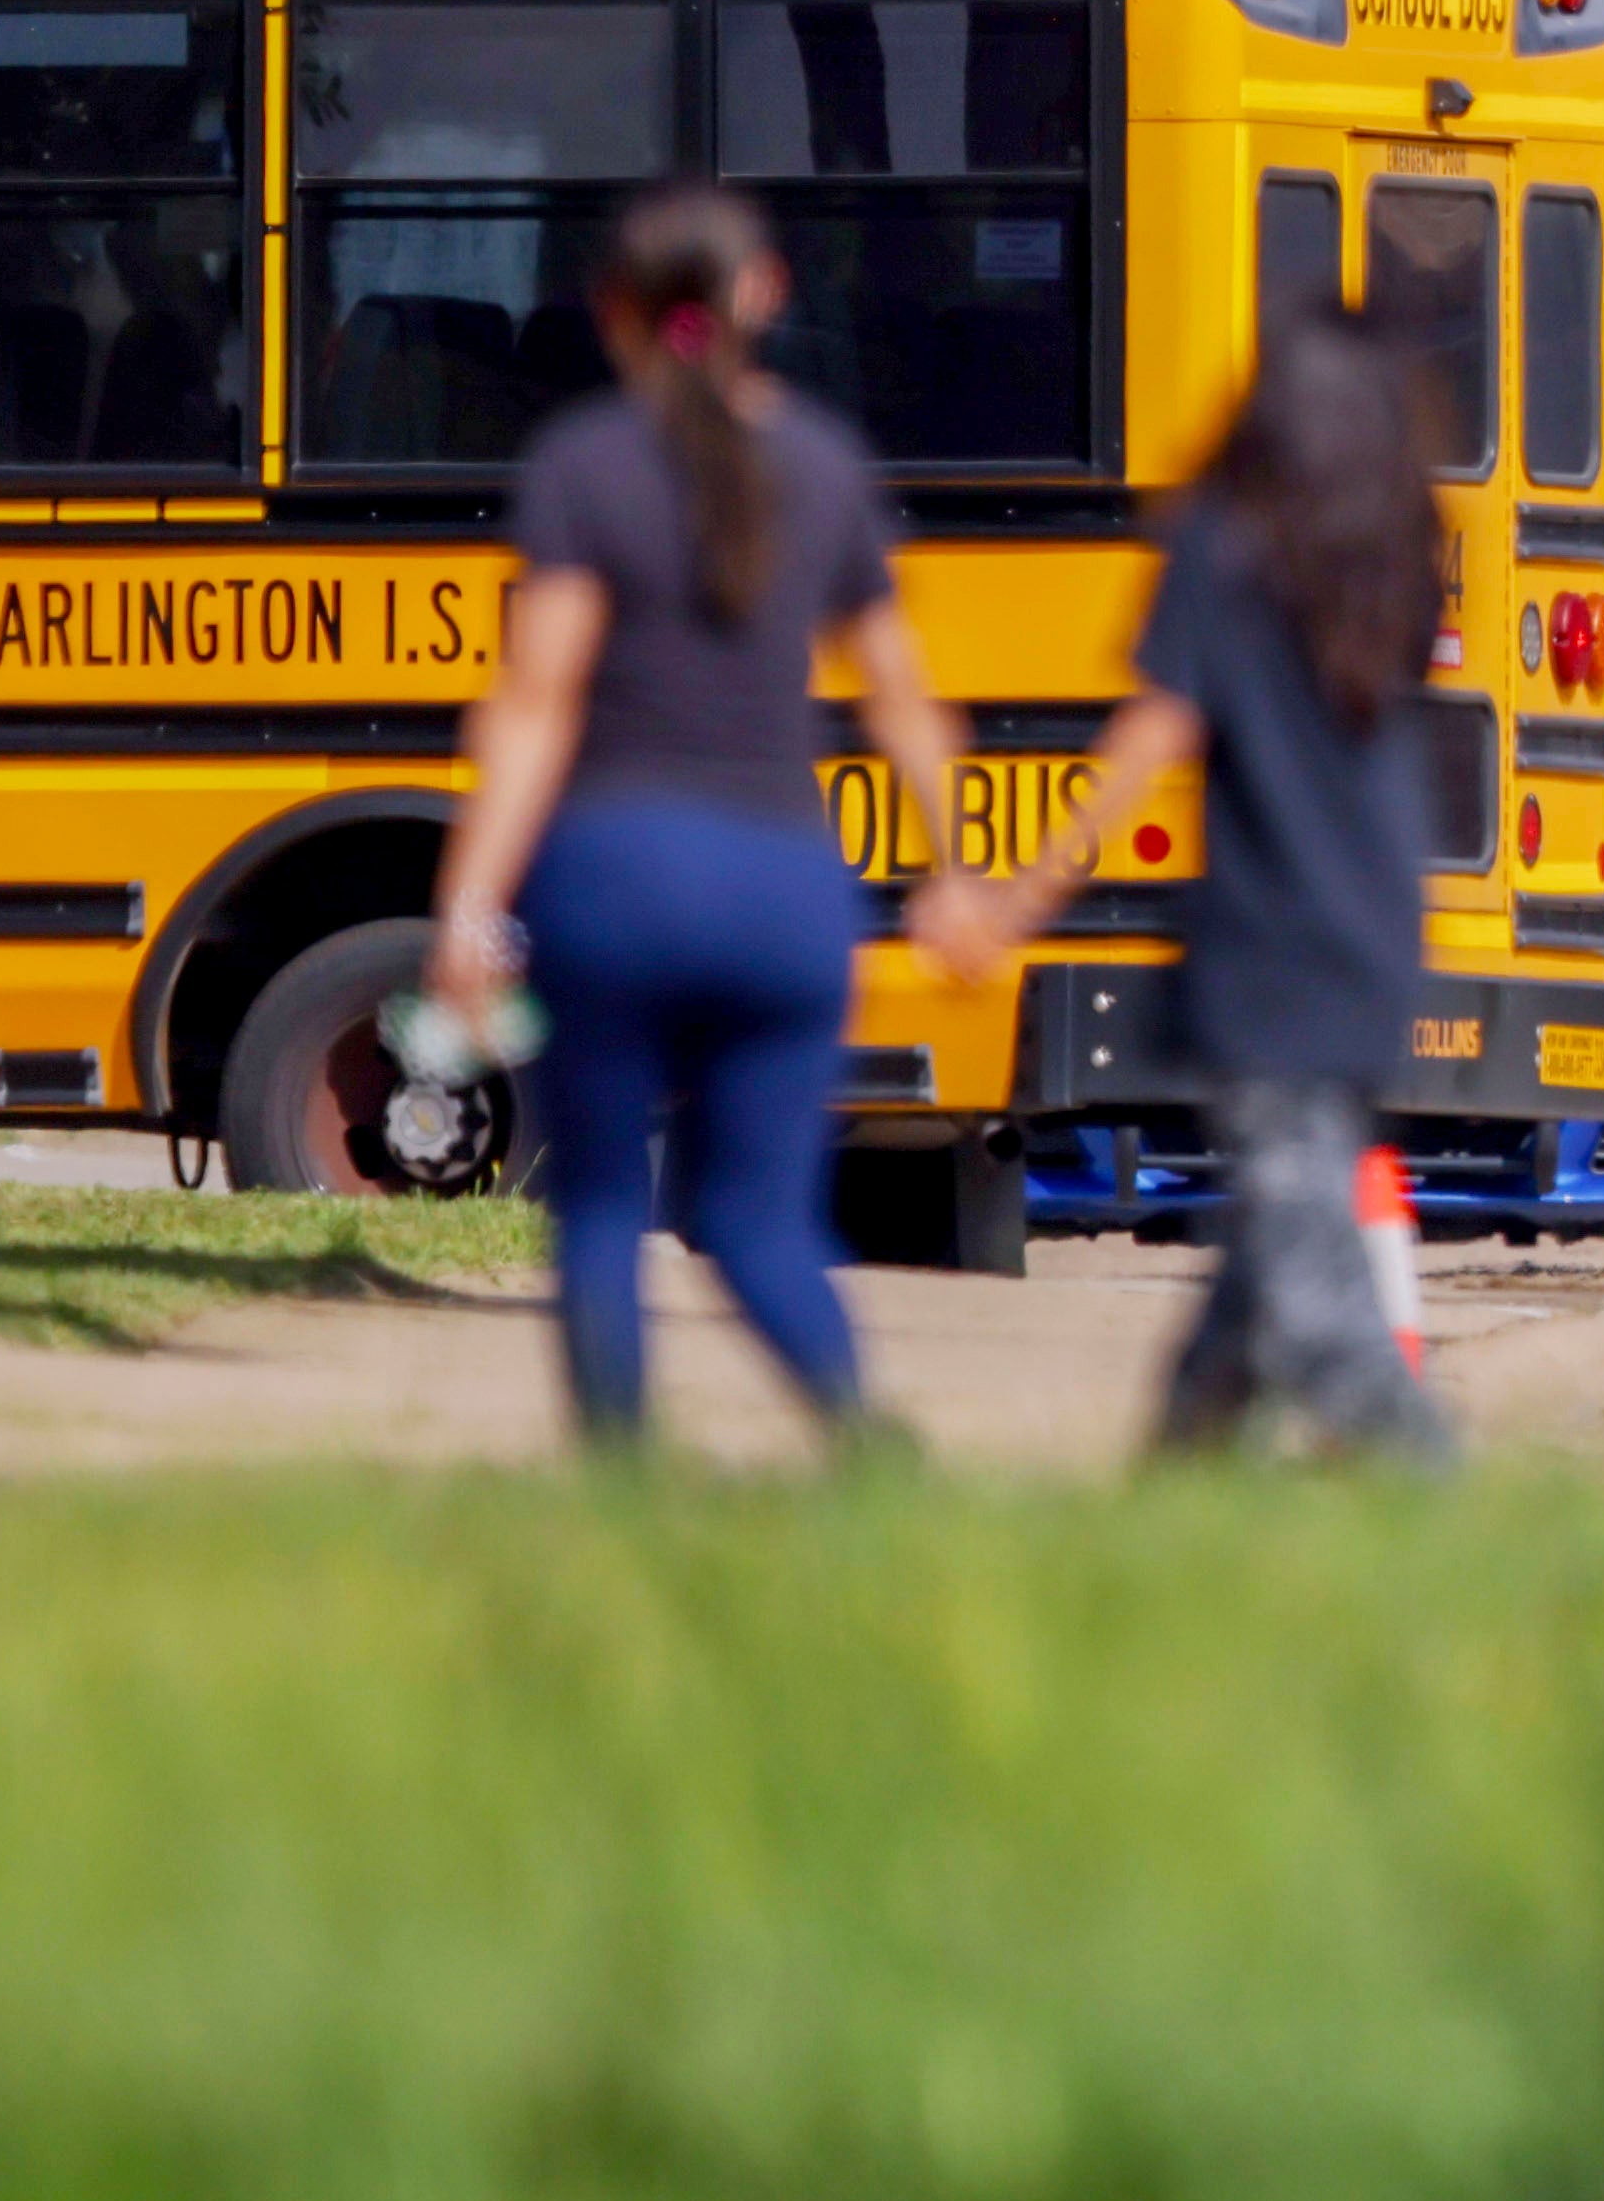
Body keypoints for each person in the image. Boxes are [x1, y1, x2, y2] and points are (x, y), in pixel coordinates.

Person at [423, 183, 991, 1455]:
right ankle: (864, 1443)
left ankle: (623, 1474)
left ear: (610, 311)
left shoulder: (583, 463)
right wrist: (958, 874)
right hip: (790, 895)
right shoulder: (828, 466)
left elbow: (535, 704)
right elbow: (904, 700)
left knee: (605, 1203)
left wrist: (468, 912)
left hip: (616, 879)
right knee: (760, 1221)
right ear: (764, 298)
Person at [976, 311, 1461, 1462]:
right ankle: (1178, 1482)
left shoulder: (1227, 544)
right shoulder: (1393, 545)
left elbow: (1156, 732)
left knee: (1314, 1296)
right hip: (1379, 934)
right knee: (1271, 1244)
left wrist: (1021, 891)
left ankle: (1434, 1485)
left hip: (1272, 952)